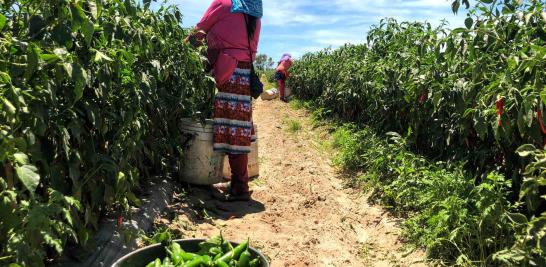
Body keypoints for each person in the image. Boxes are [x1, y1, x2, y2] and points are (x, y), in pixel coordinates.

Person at [186, 0, 262, 201]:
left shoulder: (223, 3)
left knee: (226, 125)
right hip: (244, 74)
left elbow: (198, 33)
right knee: (238, 126)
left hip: (225, 70)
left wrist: (181, 52)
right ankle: (239, 182)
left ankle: (237, 186)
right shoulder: (254, 10)